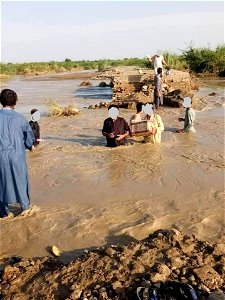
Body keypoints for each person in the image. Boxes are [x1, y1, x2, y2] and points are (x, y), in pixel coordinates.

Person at [0, 89, 35, 218]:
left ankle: (4, 213)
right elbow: (29, 140)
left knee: (1, 185)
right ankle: (25, 209)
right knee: (21, 183)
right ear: (15, 102)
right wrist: (30, 145)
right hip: (17, 157)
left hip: (0, 157)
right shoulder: (21, 119)